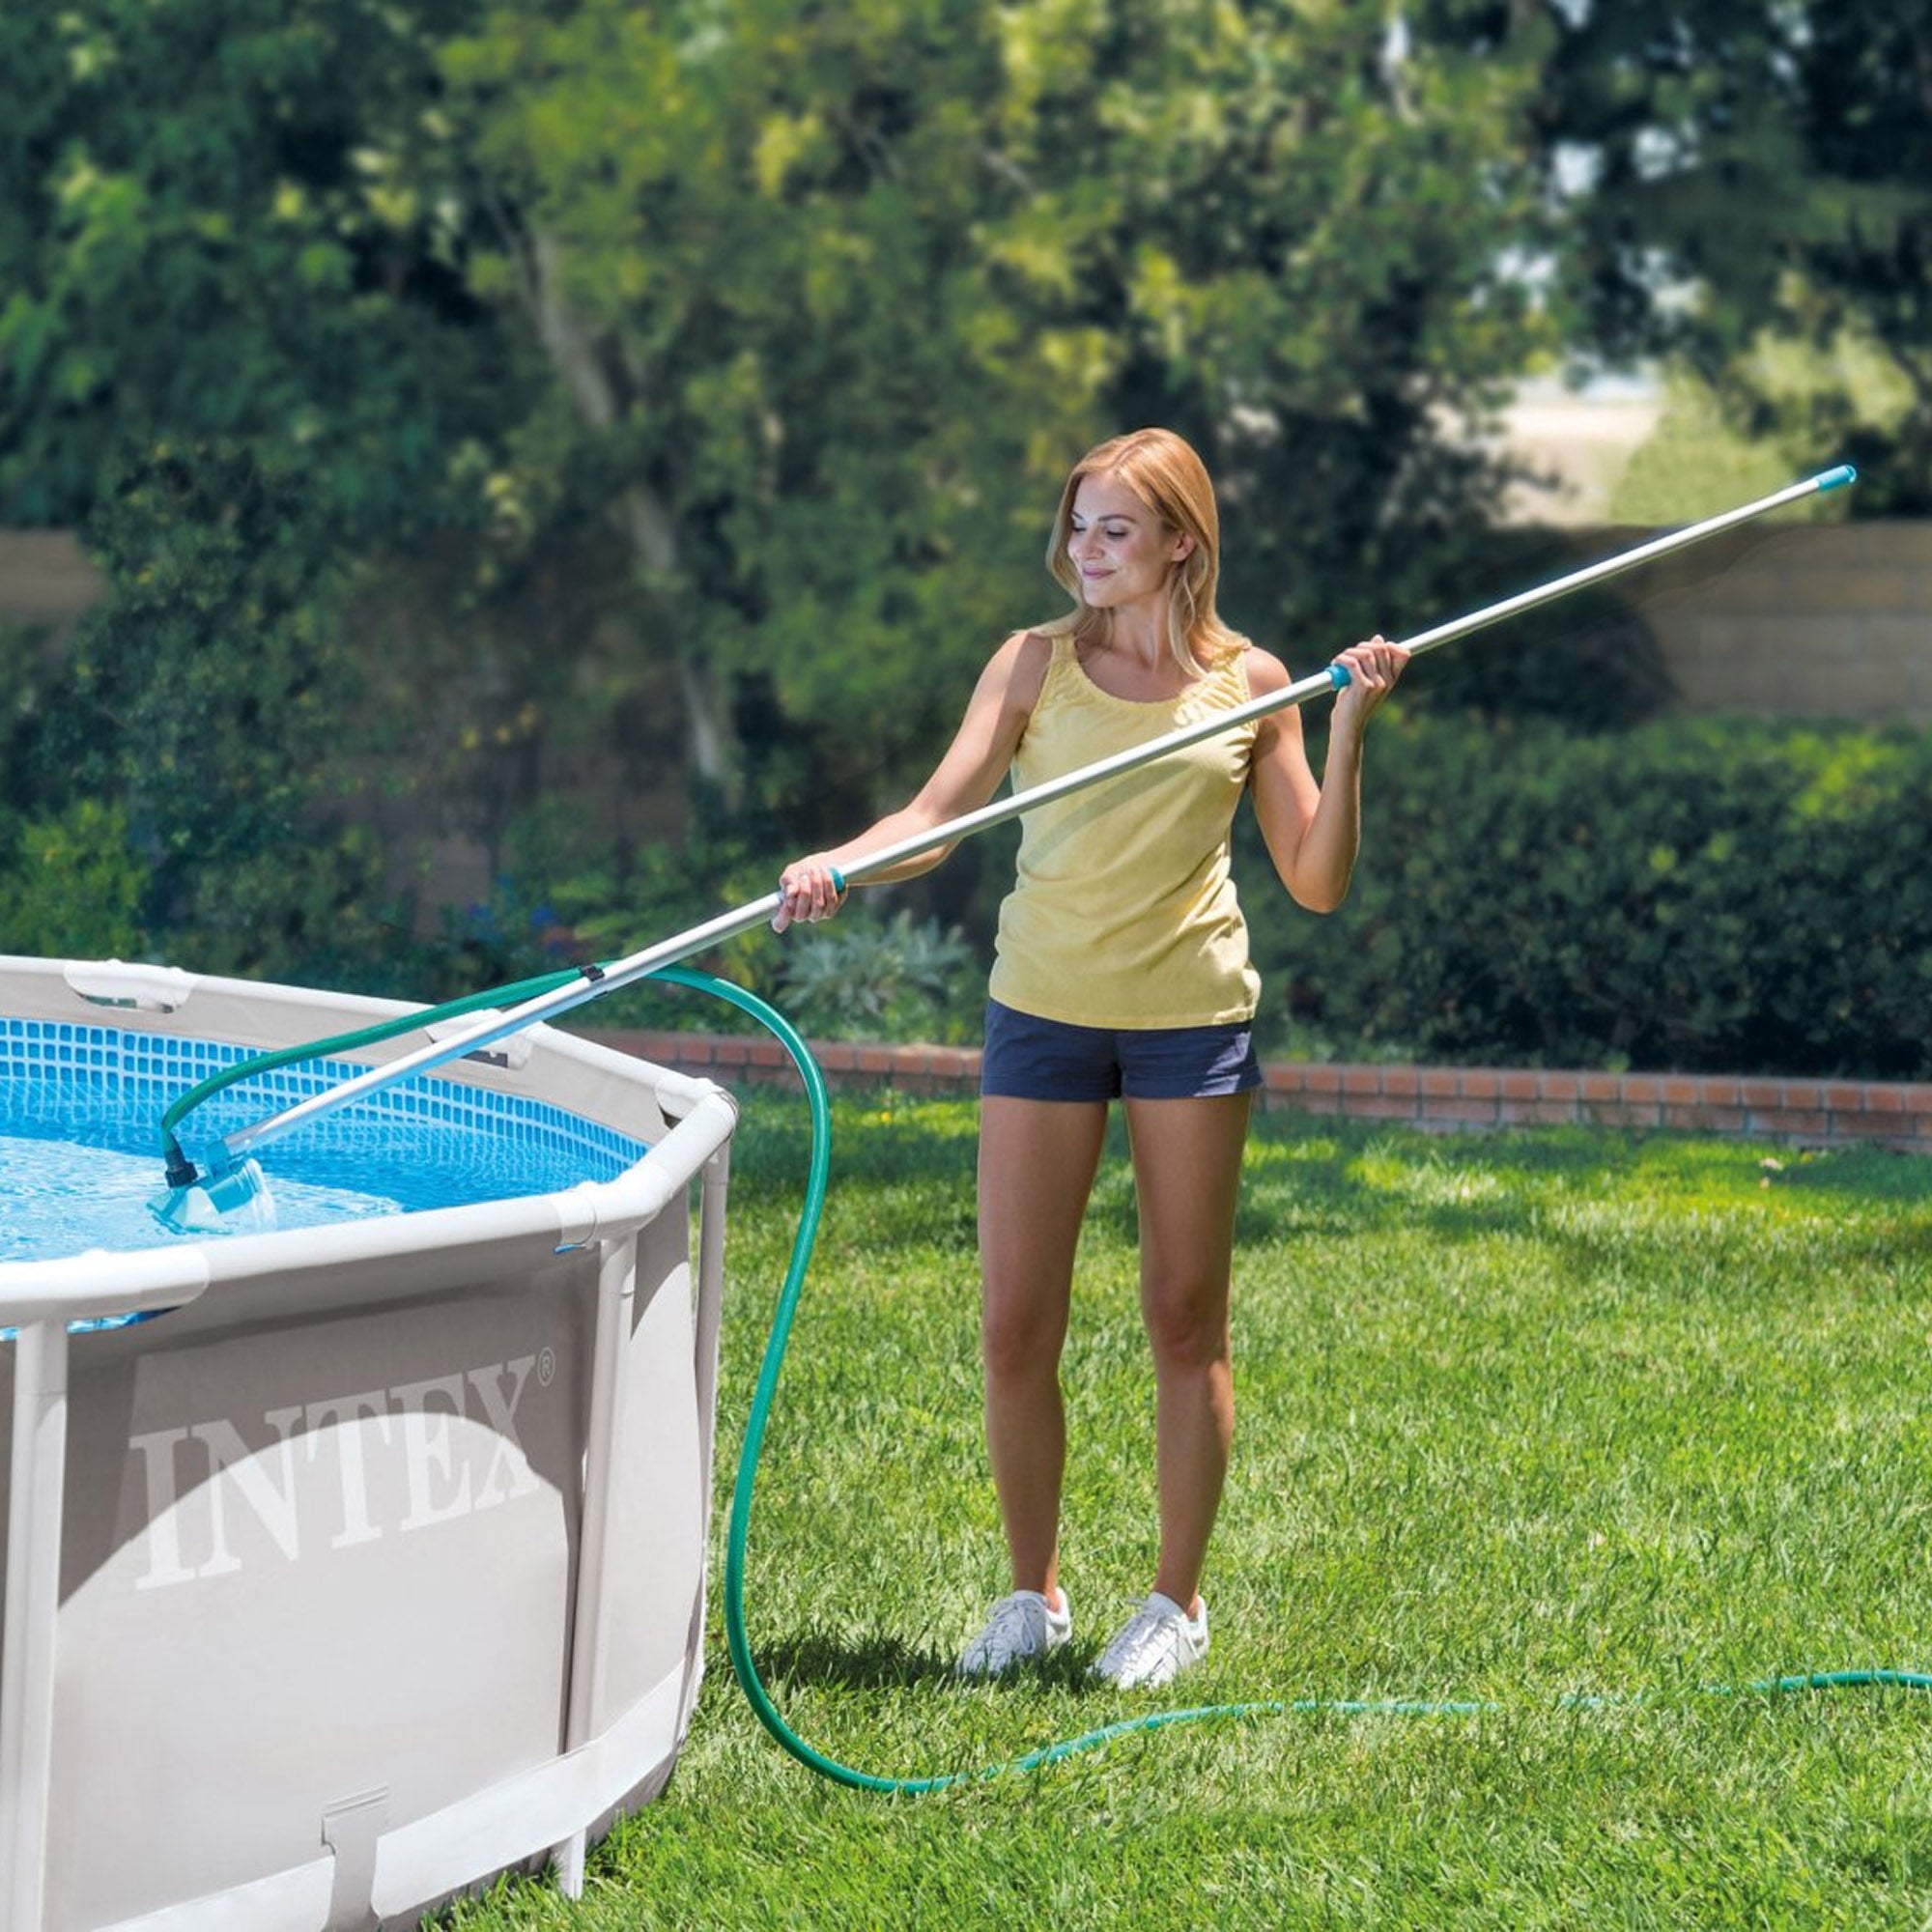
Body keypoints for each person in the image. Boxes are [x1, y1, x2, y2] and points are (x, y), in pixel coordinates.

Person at [774, 428, 1406, 1689]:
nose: (1086, 551)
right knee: (1015, 1324)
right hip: (1043, 1013)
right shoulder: (1032, 665)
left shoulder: (1254, 682)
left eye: (1115, 529)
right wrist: (843, 860)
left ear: (1183, 541)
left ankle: (1175, 1604)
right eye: (1077, 526)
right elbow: (937, 815)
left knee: (1183, 1316)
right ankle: (1033, 1595)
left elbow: (1317, 882)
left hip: (1188, 1019)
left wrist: (1343, 731)